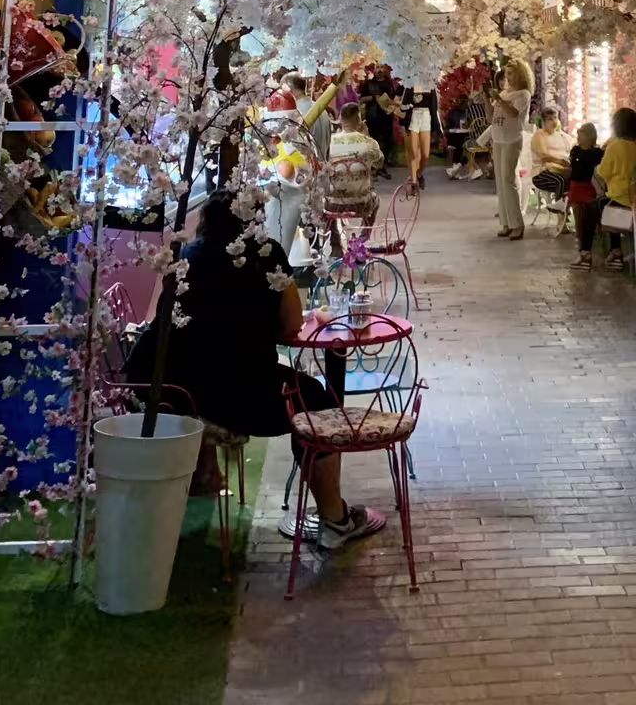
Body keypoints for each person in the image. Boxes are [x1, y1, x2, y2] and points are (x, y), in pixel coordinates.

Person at [127, 192, 385, 551]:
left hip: (176, 388)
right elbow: (291, 324)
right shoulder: (267, 255)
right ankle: (335, 518)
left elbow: (165, 318)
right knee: (318, 404)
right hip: (241, 394)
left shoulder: (186, 258)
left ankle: (204, 482)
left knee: (223, 378)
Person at [594, 108, 636, 270]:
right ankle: (621, 250)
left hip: (620, 200)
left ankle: (615, 250)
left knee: (598, 205)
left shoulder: (615, 146)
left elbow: (602, 172)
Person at [490, 57, 534, 240]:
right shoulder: (505, 93)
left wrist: (498, 100)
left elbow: (514, 113)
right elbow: (493, 113)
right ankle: (506, 222)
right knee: (500, 182)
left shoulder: (523, 94)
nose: (509, 78)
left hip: (512, 139)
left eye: (513, 74)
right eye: (508, 74)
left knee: (508, 180)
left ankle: (517, 224)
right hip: (498, 138)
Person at [326, 102, 385, 229]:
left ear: (340, 119)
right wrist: (366, 134)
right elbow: (379, 164)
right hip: (362, 203)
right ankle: (363, 236)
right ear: (359, 120)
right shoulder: (368, 142)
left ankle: (334, 241)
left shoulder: (329, 143)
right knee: (376, 200)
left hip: (333, 203)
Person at [567, 122, 606, 269]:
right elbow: (571, 169)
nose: (578, 136)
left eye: (581, 133)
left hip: (590, 187)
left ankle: (590, 248)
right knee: (578, 217)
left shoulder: (597, 153)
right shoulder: (575, 150)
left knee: (590, 217)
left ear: (590, 136)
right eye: (578, 133)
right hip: (576, 186)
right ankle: (581, 247)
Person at [401, 84, 439, 189]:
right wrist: (412, 103)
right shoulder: (410, 85)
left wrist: (437, 128)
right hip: (413, 117)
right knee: (413, 152)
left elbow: (434, 108)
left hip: (426, 118)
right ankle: (413, 182)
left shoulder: (430, 85)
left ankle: (418, 174)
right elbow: (402, 107)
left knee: (425, 155)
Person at [530, 107, 573, 197]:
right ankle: (559, 207)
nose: (554, 121)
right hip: (542, 173)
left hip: (561, 170)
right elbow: (543, 156)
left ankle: (572, 207)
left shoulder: (562, 136)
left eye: (555, 118)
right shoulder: (539, 135)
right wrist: (562, 161)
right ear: (544, 121)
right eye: (550, 119)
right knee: (561, 181)